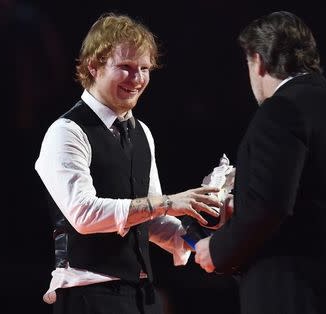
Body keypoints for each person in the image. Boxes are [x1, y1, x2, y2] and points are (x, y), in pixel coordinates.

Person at [195, 11, 326, 314]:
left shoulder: (281, 110)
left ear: (259, 61)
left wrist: (218, 250)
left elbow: (269, 207)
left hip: (302, 296)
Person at [35, 12, 221, 314]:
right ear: (93, 67)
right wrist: (167, 202)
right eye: (125, 67)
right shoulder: (66, 132)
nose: (137, 79)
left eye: (144, 69)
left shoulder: (141, 132)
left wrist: (204, 230)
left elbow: (152, 221)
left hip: (141, 296)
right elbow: (83, 214)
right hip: (88, 295)